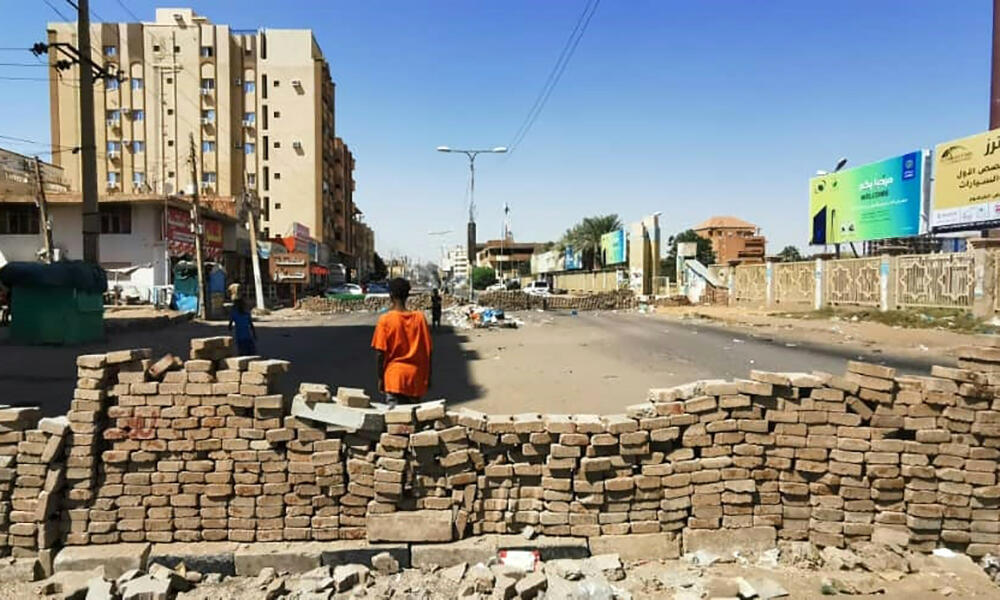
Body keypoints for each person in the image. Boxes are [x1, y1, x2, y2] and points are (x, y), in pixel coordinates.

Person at [371, 278, 432, 405]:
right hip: (415, 379)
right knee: (414, 420)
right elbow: (428, 352)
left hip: (394, 378)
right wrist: (428, 377)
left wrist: (381, 378)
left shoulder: (385, 320)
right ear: (407, 295)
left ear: (390, 295)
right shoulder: (420, 319)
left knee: (395, 421)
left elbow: (380, 354)